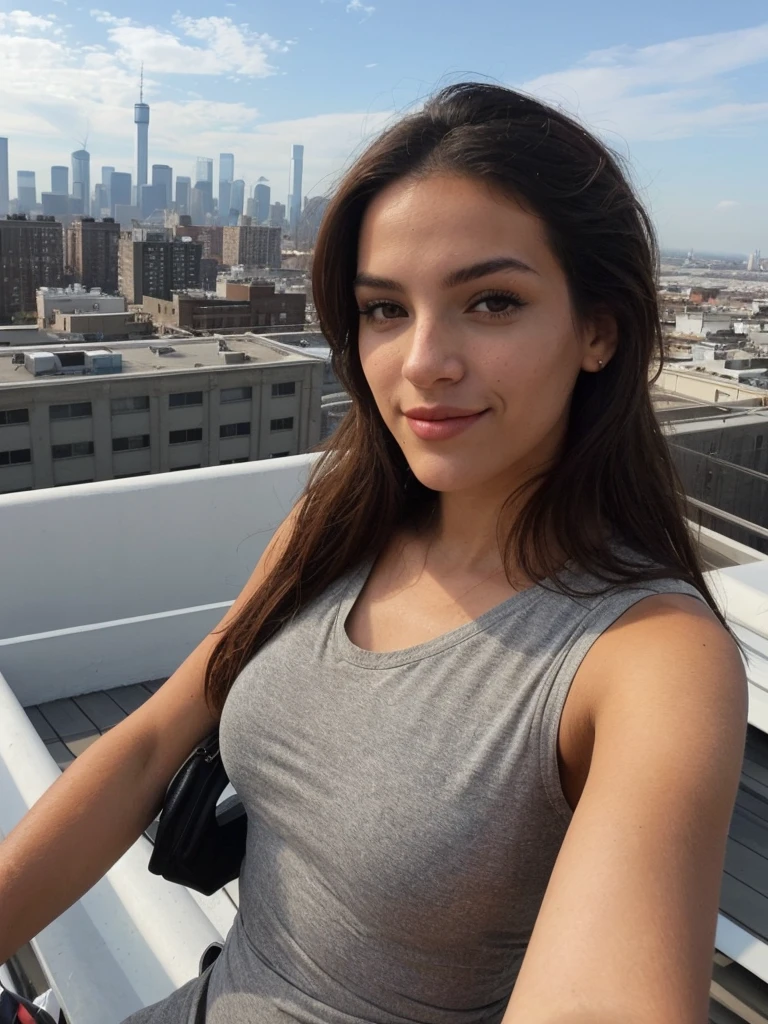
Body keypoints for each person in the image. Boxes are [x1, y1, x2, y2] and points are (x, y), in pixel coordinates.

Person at [0, 82, 747, 1024]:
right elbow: (151, 740)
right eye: (386, 310)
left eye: (492, 301)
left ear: (597, 328)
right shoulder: (338, 519)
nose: (424, 360)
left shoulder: (650, 659)